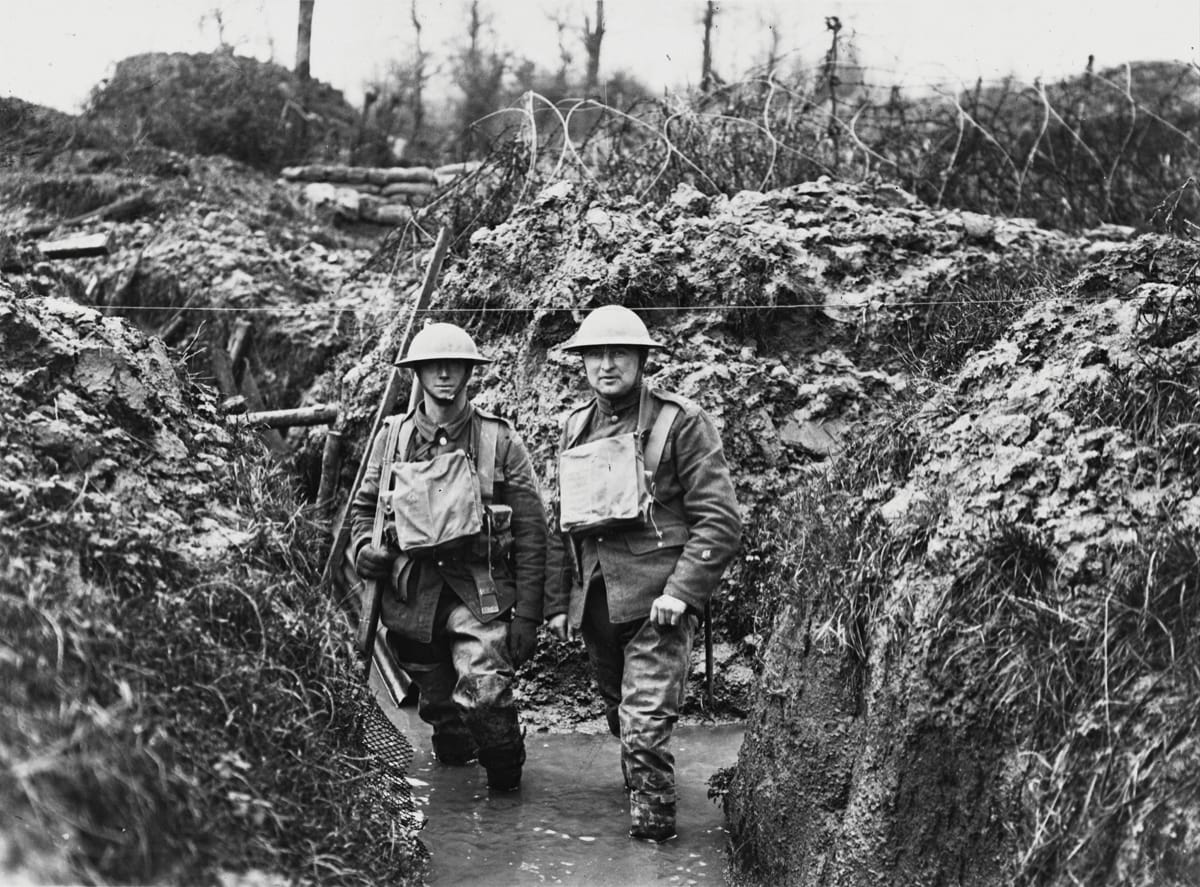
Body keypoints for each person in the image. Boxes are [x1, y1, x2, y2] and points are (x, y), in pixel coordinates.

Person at [545, 305, 741, 842]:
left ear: (640, 359)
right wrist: (561, 602)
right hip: (599, 606)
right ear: (582, 362)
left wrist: (681, 592)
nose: (606, 364)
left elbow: (720, 521)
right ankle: (640, 786)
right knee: (621, 715)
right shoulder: (574, 426)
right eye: (595, 355)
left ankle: (654, 842)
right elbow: (565, 523)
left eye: (619, 354)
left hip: (659, 605)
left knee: (646, 725)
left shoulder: (681, 422)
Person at [351, 322, 547, 791]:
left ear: (468, 372)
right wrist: (364, 550)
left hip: (477, 594)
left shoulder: (499, 440)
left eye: (454, 364)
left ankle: (505, 787)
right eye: (432, 365)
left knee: (486, 693)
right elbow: (363, 510)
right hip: (411, 600)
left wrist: (530, 617)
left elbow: (533, 531)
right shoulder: (391, 438)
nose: (443, 373)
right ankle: (456, 774)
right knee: (444, 719)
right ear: (416, 372)